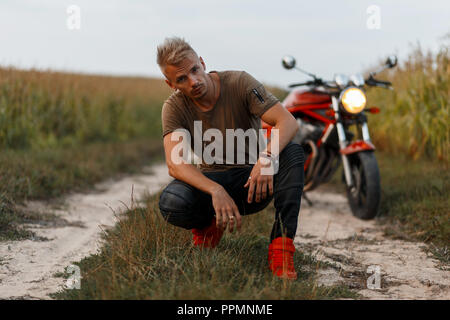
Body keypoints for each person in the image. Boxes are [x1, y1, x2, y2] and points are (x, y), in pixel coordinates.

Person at [157, 37, 304, 280]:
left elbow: (287, 121)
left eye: (195, 70)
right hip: (213, 183)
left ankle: (281, 250)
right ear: (170, 83)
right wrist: (215, 191)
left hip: (254, 182)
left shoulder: (239, 82)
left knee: (292, 152)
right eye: (182, 79)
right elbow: (175, 164)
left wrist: (266, 159)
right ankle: (207, 228)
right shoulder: (174, 107)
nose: (193, 81)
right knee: (172, 201)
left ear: (202, 63)